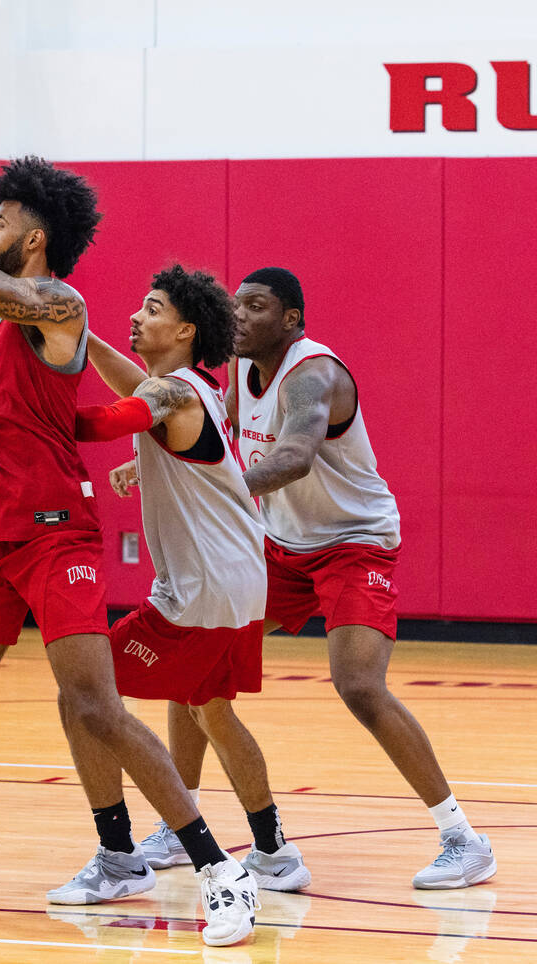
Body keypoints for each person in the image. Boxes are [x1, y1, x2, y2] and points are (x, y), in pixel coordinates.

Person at [0, 96, 259, 948]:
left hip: (55, 534)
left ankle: (220, 870)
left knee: (95, 706)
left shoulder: (56, 306)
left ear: (34, 238)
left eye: (1, 217)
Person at [203, 265, 494, 890]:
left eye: (254, 306)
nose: (238, 315)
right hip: (282, 545)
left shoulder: (314, 375)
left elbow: (294, 455)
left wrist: (219, 493)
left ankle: (462, 839)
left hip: (353, 544)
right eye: (234, 304)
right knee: (198, 659)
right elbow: (219, 444)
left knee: (358, 684)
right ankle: (181, 828)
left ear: (291, 320)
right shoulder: (239, 374)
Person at [61, 265, 310, 900]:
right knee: (214, 713)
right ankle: (275, 851)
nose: (137, 316)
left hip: (200, 591)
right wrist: (81, 337)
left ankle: (121, 857)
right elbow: (138, 388)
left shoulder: (172, 395)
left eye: (151, 308)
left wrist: (32, 409)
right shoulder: (194, 384)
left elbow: (107, 419)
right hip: (239, 584)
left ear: (184, 329)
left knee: (85, 694)